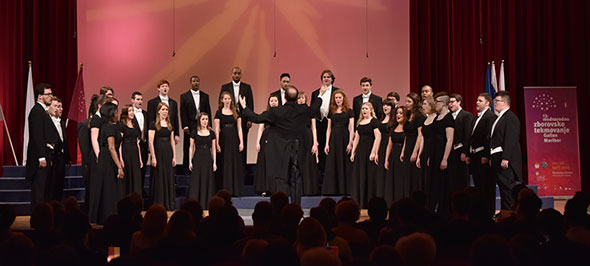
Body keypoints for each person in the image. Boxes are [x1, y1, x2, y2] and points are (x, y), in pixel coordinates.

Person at [240, 85, 327, 205]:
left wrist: (244, 107)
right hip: (297, 150)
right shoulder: (303, 109)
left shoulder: (276, 111)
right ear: (297, 98)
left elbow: (257, 118)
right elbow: (314, 108)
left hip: (280, 152)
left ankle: (283, 208)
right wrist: (320, 95)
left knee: (282, 180)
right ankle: (296, 208)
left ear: (284, 98)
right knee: (296, 180)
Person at [490, 91, 522, 211]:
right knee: (503, 189)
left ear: (504, 102)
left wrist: (506, 157)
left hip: (506, 160)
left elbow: (510, 139)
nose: (494, 103)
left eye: (496, 101)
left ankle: (509, 214)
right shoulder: (500, 118)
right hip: (498, 158)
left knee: (508, 189)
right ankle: (504, 213)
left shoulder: (510, 117)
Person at [467, 93, 497, 217]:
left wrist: (486, 155)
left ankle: (489, 213)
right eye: (476, 100)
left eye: (480, 101)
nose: (476, 102)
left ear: (487, 103)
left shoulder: (490, 117)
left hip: (483, 156)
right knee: (479, 186)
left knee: (486, 186)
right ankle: (480, 212)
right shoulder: (476, 117)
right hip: (475, 156)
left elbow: (489, 137)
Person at [96, 102, 125, 224]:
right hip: (108, 159)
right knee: (110, 187)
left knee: (111, 187)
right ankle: (108, 216)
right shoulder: (108, 127)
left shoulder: (110, 126)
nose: (117, 114)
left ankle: (109, 216)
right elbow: (111, 147)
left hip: (108, 158)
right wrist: (119, 167)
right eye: (116, 112)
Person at [26, 83, 53, 209]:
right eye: (48, 94)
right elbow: (37, 136)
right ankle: (38, 219)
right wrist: (42, 157)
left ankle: (41, 217)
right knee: (39, 190)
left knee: (43, 190)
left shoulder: (43, 111)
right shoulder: (37, 111)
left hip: (45, 155)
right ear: (40, 96)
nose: (51, 97)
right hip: (39, 157)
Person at [220, 67, 253, 167]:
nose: (237, 75)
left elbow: (250, 103)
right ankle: (229, 166)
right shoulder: (225, 87)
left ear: (241, 75)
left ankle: (242, 166)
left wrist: (250, 119)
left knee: (243, 142)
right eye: (235, 73)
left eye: (239, 73)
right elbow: (221, 103)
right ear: (232, 74)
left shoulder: (247, 87)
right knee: (229, 142)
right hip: (229, 118)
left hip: (243, 118)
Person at [322, 90, 354, 195]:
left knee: (344, 162)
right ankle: (332, 190)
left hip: (344, 138)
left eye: (340, 98)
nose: (338, 100)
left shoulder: (349, 111)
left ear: (343, 98)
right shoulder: (332, 111)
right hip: (334, 139)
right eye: (336, 98)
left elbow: (351, 128)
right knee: (333, 162)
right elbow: (328, 129)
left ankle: (345, 190)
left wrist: (350, 142)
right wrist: (327, 143)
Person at [350, 102, 381, 208]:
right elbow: (357, 138)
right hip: (360, 152)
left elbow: (378, 137)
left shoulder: (374, 121)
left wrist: (373, 152)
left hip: (369, 150)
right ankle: (360, 201)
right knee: (360, 174)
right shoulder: (360, 122)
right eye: (363, 108)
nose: (364, 110)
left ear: (371, 110)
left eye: (366, 108)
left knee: (369, 175)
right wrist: (353, 152)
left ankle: (369, 201)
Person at [311, 70, 340, 178]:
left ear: (332, 79)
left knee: (330, 146)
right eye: (324, 77)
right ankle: (320, 169)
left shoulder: (337, 91)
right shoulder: (315, 93)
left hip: (332, 123)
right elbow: (313, 109)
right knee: (320, 144)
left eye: (328, 77)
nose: (326, 79)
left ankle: (330, 171)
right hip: (319, 122)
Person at [214, 91, 245, 196]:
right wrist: (217, 143)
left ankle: (235, 190)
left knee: (234, 163)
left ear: (231, 100)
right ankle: (224, 190)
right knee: (224, 163)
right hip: (223, 140)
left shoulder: (236, 112)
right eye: (225, 99)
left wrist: (241, 142)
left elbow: (239, 128)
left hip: (234, 139)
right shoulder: (218, 113)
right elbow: (217, 129)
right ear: (222, 100)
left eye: (229, 98)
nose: (227, 100)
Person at [429, 93, 454, 215]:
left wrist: (445, 159)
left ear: (443, 103)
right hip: (434, 154)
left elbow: (449, 140)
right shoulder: (436, 117)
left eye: (436, 102)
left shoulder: (449, 118)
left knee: (442, 182)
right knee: (433, 182)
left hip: (442, 154)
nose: (435, 104)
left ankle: (442, 210)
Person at [149, 102, 177, 211]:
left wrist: (174, 156)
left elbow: (172, 142)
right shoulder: (153, 124)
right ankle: (159, 203)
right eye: (163, 109)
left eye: (166, 110)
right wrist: (153, 156)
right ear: (158, 111)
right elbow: (151, 142)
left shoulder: (170, 125)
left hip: (168, 153)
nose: (165, 112)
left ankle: (168, 203)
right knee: (159, 177)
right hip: (158, 152)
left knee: (168, 177)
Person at [180, 75, 211, 174]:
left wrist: (208, 125)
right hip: (190, 123)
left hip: (202, 124)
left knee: (202, 144)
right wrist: (185, 126)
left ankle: (201, 166)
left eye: (197, 81)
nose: (196, 83)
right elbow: (183, 112)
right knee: (188, 145)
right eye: (194, 81)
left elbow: (208, 110)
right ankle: (186, 168)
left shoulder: (205, 96)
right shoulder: (184, 96)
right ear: (191, 83)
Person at [188, 112, 217, 207]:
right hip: (198, 157)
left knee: (207, 180)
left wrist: (214, 162)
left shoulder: (212, 133)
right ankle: (196, 204)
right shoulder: (194, 132)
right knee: (197, 180)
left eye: (206, 119)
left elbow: (213, 149)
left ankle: (206, 203)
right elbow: (191, 148)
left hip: (208, 158)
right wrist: (190, 161)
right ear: (199, 121)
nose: (205, 121)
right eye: (203, 119)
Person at [448, 94, 474, 193]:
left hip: (461, 152)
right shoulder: (449, 116)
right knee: (452, 179)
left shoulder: (466, 115)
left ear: (459, 102)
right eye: (449, 102)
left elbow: (468, 135)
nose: (450, 104)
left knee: (462, 178)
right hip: (451, 152)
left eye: (452, 102)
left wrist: (465, 152)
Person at [46, 97, 70, 202]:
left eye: (60, 106)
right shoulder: (46, 121)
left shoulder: (61, 122)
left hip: (61, 158)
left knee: (59, 185)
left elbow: (64, 141)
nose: (59, 109)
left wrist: (67, 157)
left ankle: (57, 207)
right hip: (52, 158)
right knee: (51, 185)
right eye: (56, 106)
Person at [255, 95, 279, 196]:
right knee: (265, 163)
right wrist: (257, 142)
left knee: (276, 164)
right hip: (265, 139)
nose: (273, 102)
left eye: (275, 100)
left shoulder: (281, 114)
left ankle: (275, 188)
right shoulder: (265, 114)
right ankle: (265, 188)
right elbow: (261, 129)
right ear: (269, 102)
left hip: (277, 141)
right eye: (271, 100)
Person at [401, 92, 425, 193]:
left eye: (409, 102)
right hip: (408, 148)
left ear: (415, 103)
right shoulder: (408, 116)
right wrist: (403, 151)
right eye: (406, 101)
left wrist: (415, 152)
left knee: (415, 177)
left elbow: (420, 135)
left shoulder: (419, 116)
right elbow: (407, 135)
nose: (406, 104)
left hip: (416, 147)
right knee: (407, 176)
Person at [384, 106, 409, 203]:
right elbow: (389, 145)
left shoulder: (407, 127)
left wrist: (403, 152)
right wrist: (386, 159)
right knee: (393, 179)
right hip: (394, 155)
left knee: (401, 179)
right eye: (397, 113)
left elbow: (407, 141)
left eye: (401, 113)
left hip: (402, 155)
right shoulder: (394, 127)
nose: (398, 115)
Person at [298, 92, 320, 196]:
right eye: (299, 98)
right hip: (297, 137)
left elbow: (314, 128)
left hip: (308, 137)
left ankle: (308, 190)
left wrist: (315, 142)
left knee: (308, 162)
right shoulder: (294, 111)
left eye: (303, 98)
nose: (301, 100)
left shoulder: (310, 111)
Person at [119, 104, 143, 196]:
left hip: (135, 153)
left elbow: (137, 144)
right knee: (128, 177)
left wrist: (140, 159)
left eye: (132, 110)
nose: (132, 112)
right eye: (130, 111)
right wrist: (121, 158)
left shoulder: (135, 126)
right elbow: (120, 144)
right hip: (126, 152)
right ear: (125, 113)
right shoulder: (122, 126)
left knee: (136, 177)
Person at [416, 97, 436, 208]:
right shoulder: (425, 119)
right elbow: (423, 138)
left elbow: (433, 139)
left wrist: (430, 156)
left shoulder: (436, 118)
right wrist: (419, 155)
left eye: (425, 104)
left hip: (432, 150)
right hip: (425, 150)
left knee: (430, 178)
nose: (423, 106)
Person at [147, 80, 180, 145]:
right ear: (158, 89)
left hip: (170, 132)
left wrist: (177, 134)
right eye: (163, 86)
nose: (165, 88)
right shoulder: (152, 102)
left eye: (166, 86)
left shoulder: (174, 103)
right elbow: (150, 119)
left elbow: (175, 118)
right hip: (157, 133)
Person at [375, 100, 394, 199]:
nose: (385, 107)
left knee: (388, 172)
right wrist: (376, 152)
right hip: (381, 145)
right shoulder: (381, 119)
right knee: (381, 173)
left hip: (390, 145)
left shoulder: (393, 120)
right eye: (384, 105)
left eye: (388, 105)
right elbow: (378, 137)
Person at [131, 91, 149, 197]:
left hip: (144, 146)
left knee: (143, 170)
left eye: (141, 99)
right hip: (133, 146)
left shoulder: (145, 114)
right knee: (135, 170)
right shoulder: (129, 113)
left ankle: (140, 193)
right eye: (138, 99)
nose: (140, 101)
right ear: (132, 100)